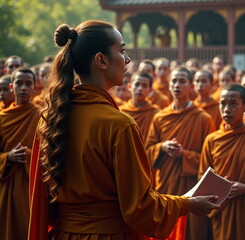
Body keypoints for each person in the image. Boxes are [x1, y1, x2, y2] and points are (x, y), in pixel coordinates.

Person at [28, 20, 219, 240]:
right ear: (101, 60)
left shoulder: (50, 120)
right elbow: (140, 208)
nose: (128, 60)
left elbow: (43, 204)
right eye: (122, 50)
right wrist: (187, 204)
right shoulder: (119, 124)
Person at [146, 66, 216, 240]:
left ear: (191, 87)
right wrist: (161, 147)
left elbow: (211, 160)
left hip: (192, 187)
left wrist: (184, 155)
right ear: (169, 86)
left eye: (182, 81)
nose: (177, 85)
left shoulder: (202, 118)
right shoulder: (160, 117)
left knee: (191, 233)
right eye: (174, 81)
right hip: (165, 185)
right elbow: (146, 152)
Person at [199, 83, 245, 240]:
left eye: (233, 103)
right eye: (223, 103)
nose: (227, 109)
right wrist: (220, 189)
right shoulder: (212, 140)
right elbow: (202, 178)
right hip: (221, 210)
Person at [0, 67, 39, 240]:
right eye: (19, 83)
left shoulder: (42, 117)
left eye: (28, 84)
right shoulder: (1, 118)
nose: (23, 88)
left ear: (35, 88)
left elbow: (50, 155)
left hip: (30, 185)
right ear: (11, 87)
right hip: (5, 184)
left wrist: (29, 155)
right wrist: (7, 157)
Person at [120, 71, 160, 141]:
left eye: (144, 86)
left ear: (150, 90)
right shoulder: (121, 111)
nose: (140, 89)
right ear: (129, 86)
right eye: (137, 84)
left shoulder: (156, 113)